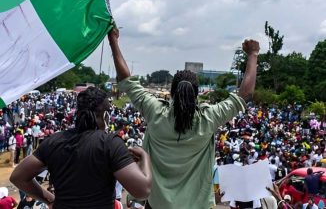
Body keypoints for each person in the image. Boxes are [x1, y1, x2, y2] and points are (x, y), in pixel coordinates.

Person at [108, 27, 260, 208]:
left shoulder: (155, 112)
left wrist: (113, 41)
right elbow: (245, 94)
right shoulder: (208, 118)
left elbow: (127, 81)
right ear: (196, 95)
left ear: (171, 92)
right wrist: (253, 54)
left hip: (156, 204)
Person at [10, 87, 152, 209]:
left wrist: (50, 199)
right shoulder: (110, 144)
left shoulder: (54, 141)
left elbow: (18, 177)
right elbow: (143, 190)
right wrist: (145, 158)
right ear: (105, 115)